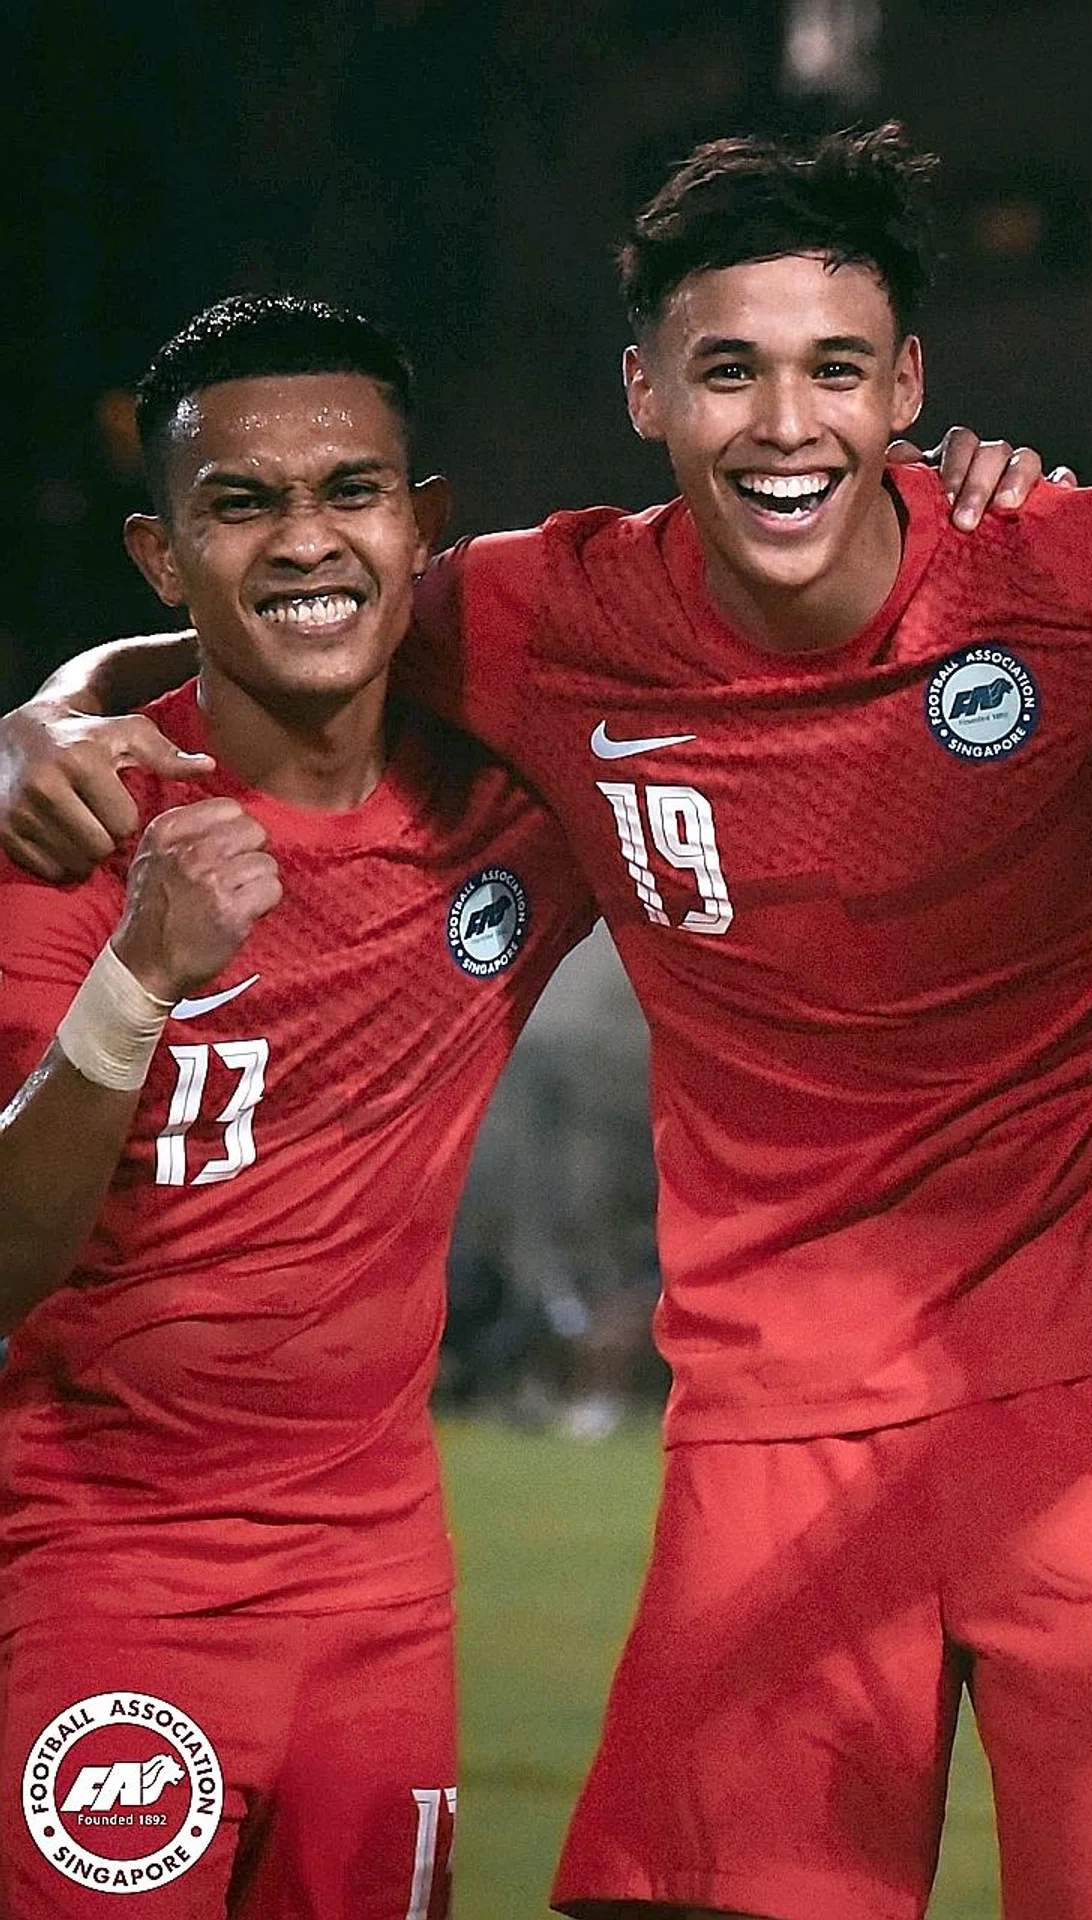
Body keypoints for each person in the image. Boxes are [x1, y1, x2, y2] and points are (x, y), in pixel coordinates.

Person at [1, 126, 1092, 1920]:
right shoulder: (533, 613)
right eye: (729, 370)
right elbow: (284, 604)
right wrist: (46, 714)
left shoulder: (1084, 559)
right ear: (646, 388)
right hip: (777, 1415)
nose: (785, 423)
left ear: (909, 384)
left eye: (835, 369)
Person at [0, 295, 601, 1916]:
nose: (304, 541)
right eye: (240, 503)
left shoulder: (513, 825)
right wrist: (136, 981)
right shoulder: (60, 837)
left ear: (425, 527)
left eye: (351, 490)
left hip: (380, 1605)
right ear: (160, 550)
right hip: (106, 1580)